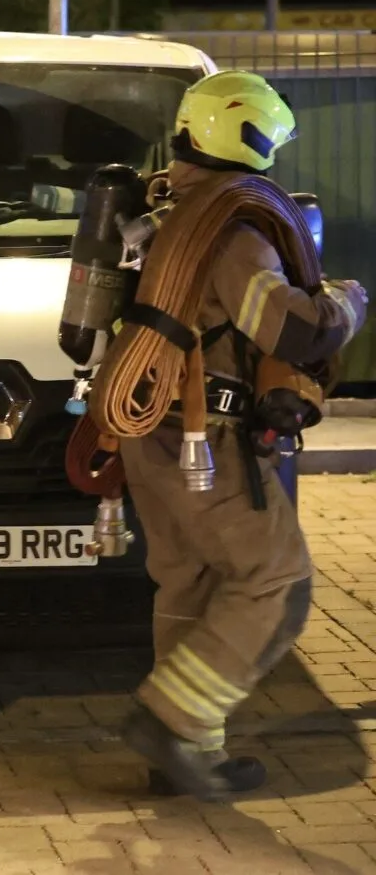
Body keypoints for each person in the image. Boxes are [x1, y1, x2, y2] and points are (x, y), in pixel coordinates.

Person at [117, 70, 370, 801]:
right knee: (276, 582)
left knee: (189, 584)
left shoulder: (164, 202)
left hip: (151, 430)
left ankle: (186, 759)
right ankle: (172, 719)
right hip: (208, 434)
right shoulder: (232, 223)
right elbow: (285, 324)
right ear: (250, 132)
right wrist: (347, 301)